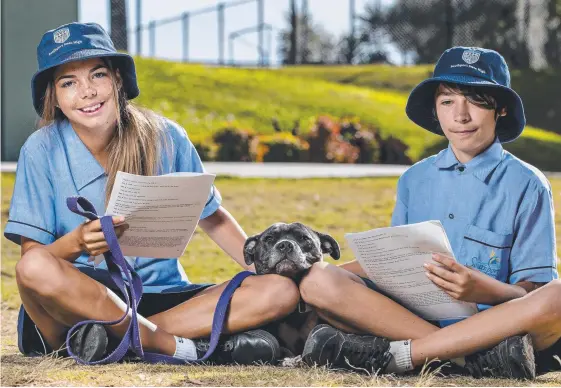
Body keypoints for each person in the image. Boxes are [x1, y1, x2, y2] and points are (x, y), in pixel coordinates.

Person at [5, 22, 300, 364]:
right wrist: (78, 243)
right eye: (68, 83)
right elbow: (34, 263)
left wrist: (259, 269)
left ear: (117, 79)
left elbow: (214, 219)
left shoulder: (167, 137)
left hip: (163, 297)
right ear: (53, 97)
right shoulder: (40, 151)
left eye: (97, 75)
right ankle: (175, 345)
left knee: (279, 290)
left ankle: (121, 342)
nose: (86, 92)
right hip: (78, 302)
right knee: (33, 267)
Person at [297, 47, 560, 379]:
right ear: (436, 110)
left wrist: (484, 290)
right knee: (319, 280)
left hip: (501, 327)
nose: (460, 116)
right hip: (414, 320)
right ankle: (466, 360)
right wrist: (320, 275)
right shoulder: (413, 180)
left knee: (558, 297)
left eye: (475, 101)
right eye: (447, 102)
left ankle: (402, 357)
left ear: (502, 109)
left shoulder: (529, 184)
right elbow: (392, 266)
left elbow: (534, 293)